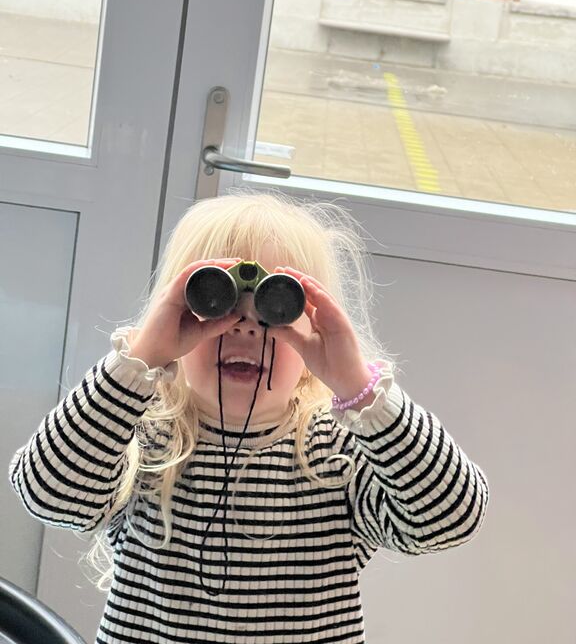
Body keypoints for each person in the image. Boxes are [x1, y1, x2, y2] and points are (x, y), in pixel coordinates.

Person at [8, 189, 489, 644]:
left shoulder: (338, 451)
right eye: (212, 303)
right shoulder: (143, 436)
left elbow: (450, 518)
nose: (244, 328)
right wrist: (137, 363)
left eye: (277, 307)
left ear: (316, 328)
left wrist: (361, 391)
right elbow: (49, 494)